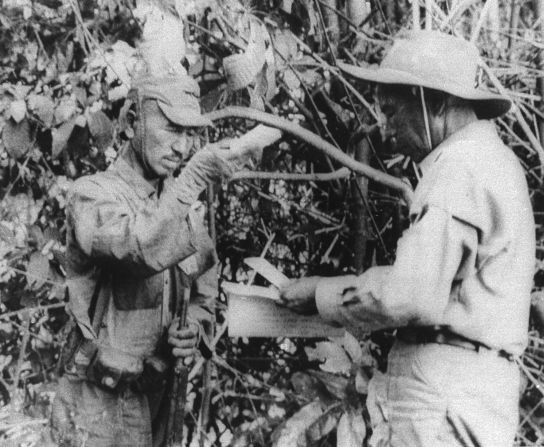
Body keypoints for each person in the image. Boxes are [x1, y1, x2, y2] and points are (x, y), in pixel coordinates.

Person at [279, 31, 535, 447]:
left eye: (392, 111)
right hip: (472, 391)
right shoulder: (492, 161)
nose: (385, 127)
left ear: (432, 103)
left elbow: (412, 293)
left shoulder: (459, 167)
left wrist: (322, 294)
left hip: (443, 398)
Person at [51, 73, 268, 446]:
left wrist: (194, 331)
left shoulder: (179, 206)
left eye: (190, 134)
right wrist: (193, 178)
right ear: (132, 122)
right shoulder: (91, 196)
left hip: (159, 401)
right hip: (96, 409)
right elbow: (138, 247)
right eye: (171, 129)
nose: (181, 147)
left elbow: (205, 281)